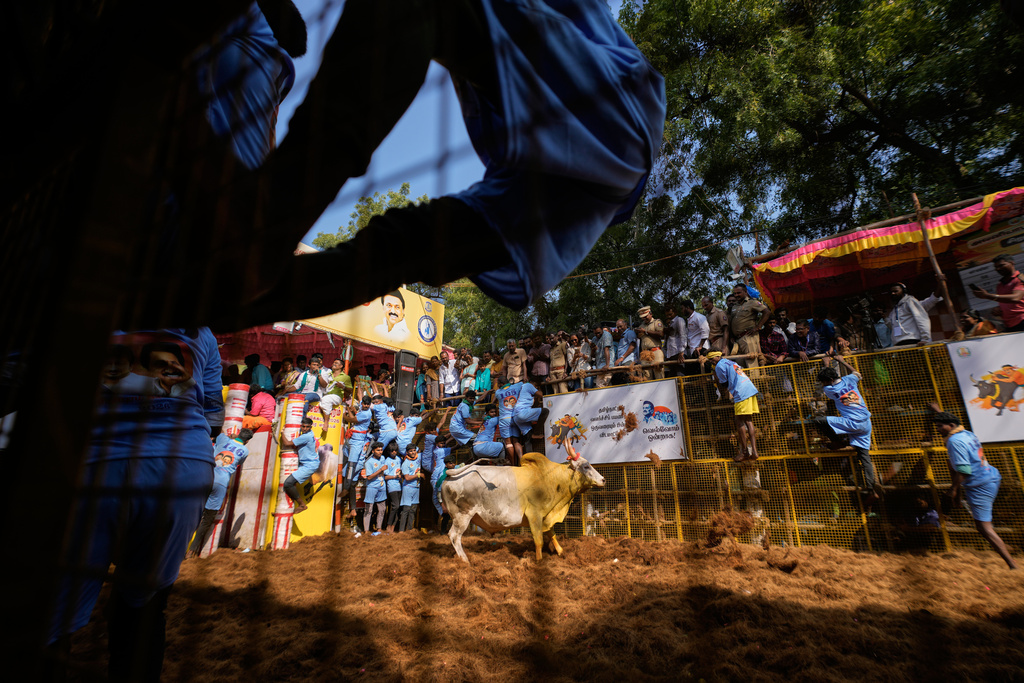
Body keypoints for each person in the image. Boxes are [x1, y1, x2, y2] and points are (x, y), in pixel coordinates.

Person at [49, 328, 224, 682]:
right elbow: (214, 417)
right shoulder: (201, 329)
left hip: (95, 463)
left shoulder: (90, 306)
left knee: (53, 616)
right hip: (182, 466)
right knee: (144, 606)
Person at [933, 411, 1017, 569]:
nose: (938, 430)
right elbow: (955, 467)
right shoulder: (966, 433)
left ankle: (1012, 565)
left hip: (980, 485)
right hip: (991, 476)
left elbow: (964, 470)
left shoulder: (954, 441)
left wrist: (952, 491)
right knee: (951, 464)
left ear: (951, 426)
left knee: (984, 527)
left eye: (940, 427)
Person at [815, 356, 882, 507]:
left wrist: (826, 363)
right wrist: (840, 360)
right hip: (866, 421)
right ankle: (872, 489)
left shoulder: (830, 390)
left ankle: (838, 441)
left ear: (830, 380)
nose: (823, 384)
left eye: (824, 381)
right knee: (864, 457)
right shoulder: (850, 380)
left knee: (819, 421)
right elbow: (857, 373)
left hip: (852, 423)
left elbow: (829, 384)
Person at [187, 428, 253, 557]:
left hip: (205, 476)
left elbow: (219, 430)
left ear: (237, 434)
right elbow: (238, 463)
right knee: (207, 519)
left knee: (191, 512)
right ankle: (191, 551)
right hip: (221, 482)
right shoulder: (245, 451)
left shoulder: (223, 439)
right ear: (248, 441)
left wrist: (231, 436)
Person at [705, 351, 759, 462]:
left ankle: (744, 452)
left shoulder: (719, 366)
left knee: (739, 422)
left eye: (712, 359)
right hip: (749, 387)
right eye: (710, 360)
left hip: (741, 392)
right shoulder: (728, 361)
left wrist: (715, 374)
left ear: (717, 356)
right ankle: (754, 451)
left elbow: (724, 384)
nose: (711, 361)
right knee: (748, 420)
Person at [970, 254, 1024, 332]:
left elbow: (1016, 298)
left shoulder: (1019, 279)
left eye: (1001, 265)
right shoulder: (1000, 284)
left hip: (1021, 321)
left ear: (1012, 263)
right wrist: (999, 309)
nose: (998, 269)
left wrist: (988, 296)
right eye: (996, 267)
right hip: (1009, 324)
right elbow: (1006, 302)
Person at [280, 417, 318, 514]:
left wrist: (281, 433)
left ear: (310, 427)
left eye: (307, 427)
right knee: (291, 484)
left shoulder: (306, 436)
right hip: (307, 464)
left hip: (309, 465)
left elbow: (287, 443)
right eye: (303, 426)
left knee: (288, 483)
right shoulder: (308, 434)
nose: (304, 429)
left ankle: (302, 505)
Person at [728, 283, 770, 368]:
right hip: (737, 340)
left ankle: (756, 381)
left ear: (745, 292)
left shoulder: (752, 302)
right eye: (735, 293)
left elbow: (767, 312)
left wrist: (758, 326)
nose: (736, 295)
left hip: (748, 337)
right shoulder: (735, 306)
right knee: (740, 366)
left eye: (739, 293)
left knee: (752, 365)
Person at [513, 379, 547, 459]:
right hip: (522, 413)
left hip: (516, 416)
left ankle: (529, 461)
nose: (536, 388)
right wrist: (539, 389)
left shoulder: (522, 388)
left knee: (528, 438)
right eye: (536, 387)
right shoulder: (529, 385)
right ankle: (536, 433)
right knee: (545, 411)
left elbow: (535, 403)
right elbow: (542, 395)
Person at [361, 442, 387, 534]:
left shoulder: (383, 458)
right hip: (372, 487)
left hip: (382, 486)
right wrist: (380, 470)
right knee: (369, 509)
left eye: (381, 450)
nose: (380, 452)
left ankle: (379, 528)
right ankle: (366, 530)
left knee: (382, 509)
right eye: (378, 450)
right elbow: (369, 477)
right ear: (373, 451)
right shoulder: (369, 462)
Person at [680, 299, 709, 376]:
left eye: (682, 308)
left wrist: (700, 346)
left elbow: (705, 331)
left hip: (701, 350)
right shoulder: (689, 319)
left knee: (704, 373)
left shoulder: (699, 317)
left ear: (688, 307)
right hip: (693, 351)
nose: (682, 311)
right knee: (695, 375)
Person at [637, 305, 665, 380]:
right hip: (645, 354)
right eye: (643, 317)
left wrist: (645, 332)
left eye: (646, 316)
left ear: (650, 313)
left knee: (659, 374)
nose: (644, 318)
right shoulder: (641, 325)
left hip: (656, 351)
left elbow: (661, 334)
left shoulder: (657, 322)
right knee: (646, 376)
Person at [399, 444, 423, 531]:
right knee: (406, 510)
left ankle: (409, 529)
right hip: (408, 487)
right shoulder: (406, 463)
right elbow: (407, 477)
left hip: (416, 487)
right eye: (410, 451)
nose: (413, 452)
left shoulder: (418, 457)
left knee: (413, 509)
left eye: (414, 450)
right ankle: (401, 530)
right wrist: (418, 475)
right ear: (407, 453)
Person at [382, 443, 404, 532]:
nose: (394, 452)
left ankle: (393, 527)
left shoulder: (399, 459)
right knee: (395, 506)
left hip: (400, 486)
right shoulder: (387, 461)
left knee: (399, 507)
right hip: (392, 486)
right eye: (392, 451)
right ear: (389, 452)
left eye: (395, 450)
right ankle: (388, 525)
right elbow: (385, 477)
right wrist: (395, 477)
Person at [594, 323, 615, 388]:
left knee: (600, 386)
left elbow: (606, 349)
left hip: (607, 365)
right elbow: (593, 354)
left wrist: (607, 365)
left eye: (599, 333)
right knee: (606, 386)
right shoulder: (594, 339)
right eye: (596, 333)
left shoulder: (607, 335)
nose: (598, 335)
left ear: (602, 330)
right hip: (599, 366)